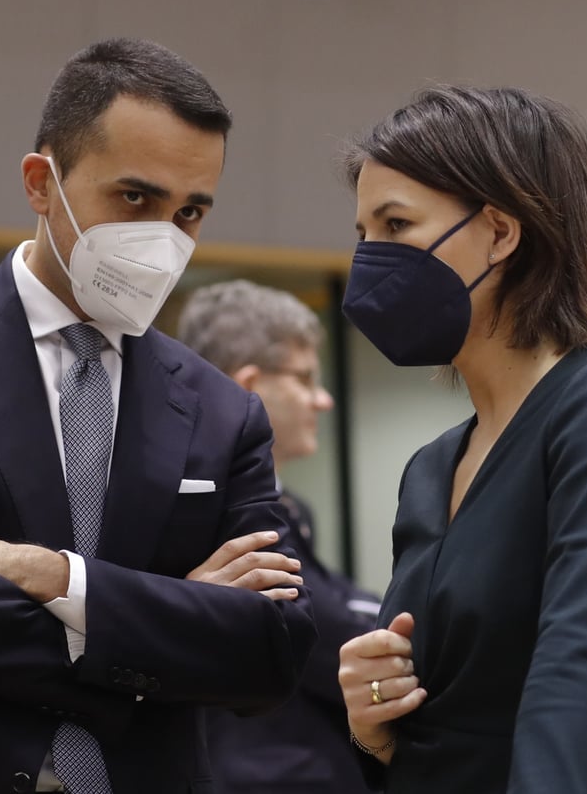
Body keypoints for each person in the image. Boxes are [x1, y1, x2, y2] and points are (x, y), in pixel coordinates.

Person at [0, 38, 316, 794]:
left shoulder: (222, 409)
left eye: (192, 211)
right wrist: (173, 620)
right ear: (41, 184)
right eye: (135, 198)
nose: (165, 240)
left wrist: (59, 577)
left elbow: (268, 652)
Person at [334, 85, 587, 793]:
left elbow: (579, 672)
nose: (369, 259)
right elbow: (428, 716)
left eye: (396, 224)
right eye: (362, 234)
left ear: (501, 233)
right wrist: (370, 717)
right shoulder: (432, 467)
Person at [177, 279, 381, 794]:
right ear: (248, 388)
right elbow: (323, 634)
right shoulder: (210, 507)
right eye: (305, 378)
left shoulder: (285, 503)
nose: (323, 399)